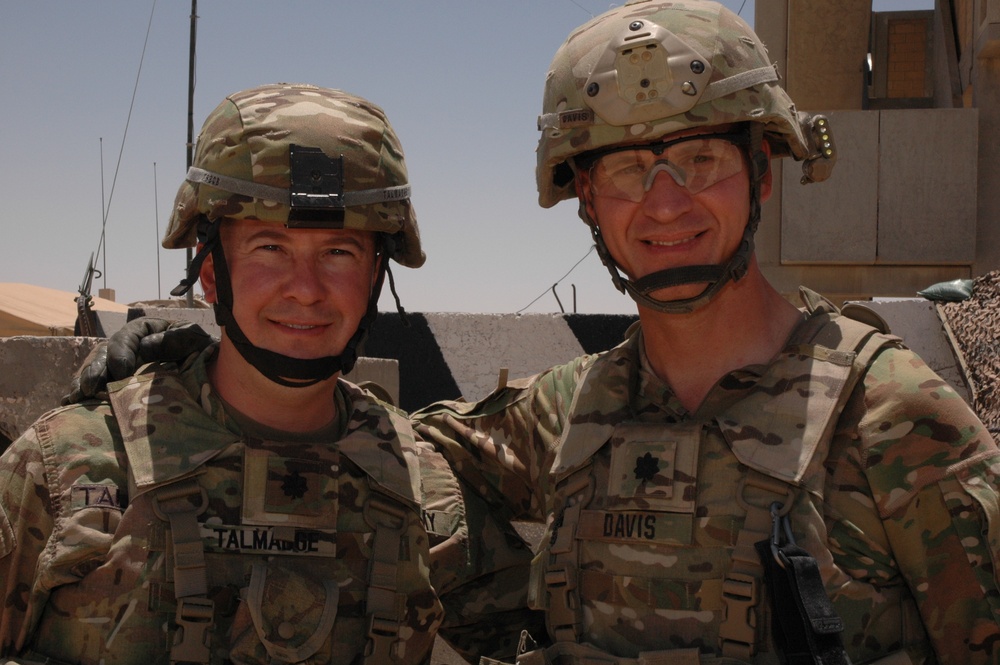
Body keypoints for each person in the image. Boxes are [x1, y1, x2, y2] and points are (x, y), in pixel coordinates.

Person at [69, 3, 1000, 663]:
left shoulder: (898, 422)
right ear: (585, 199)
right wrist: (202, 365)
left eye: (700, 158)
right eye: (629, 170)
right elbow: (371, 452)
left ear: (764, 171)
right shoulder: (570, 413)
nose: (665, 202)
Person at [0, 83, 534, 664]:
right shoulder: (66, 468)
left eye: (339, 252)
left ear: (375, 277)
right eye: (268, 248)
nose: (305, 290)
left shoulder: (426, 490)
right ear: (210, 272)